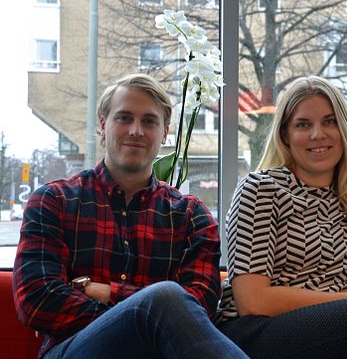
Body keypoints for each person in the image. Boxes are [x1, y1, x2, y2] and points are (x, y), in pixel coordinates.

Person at [12, 74, 248, 359]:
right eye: (124, 118)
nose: (136, 130)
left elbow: (200, 305)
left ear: (164, 132)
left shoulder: (191, 216)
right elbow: (38, 299)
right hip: (74, 350)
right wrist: (145, 313)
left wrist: (103, 291)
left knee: (167, 301)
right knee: (166, 298)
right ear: (103, 124)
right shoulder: (54, 200)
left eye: (149, 121)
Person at [217, 76, 347, 359]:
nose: (318, 134)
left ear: (343, 130)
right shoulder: (261, 189)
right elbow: (252, 301)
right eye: (303, 124)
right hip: (262, 330)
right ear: (285, 135)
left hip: (335, 330)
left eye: (329, 122)